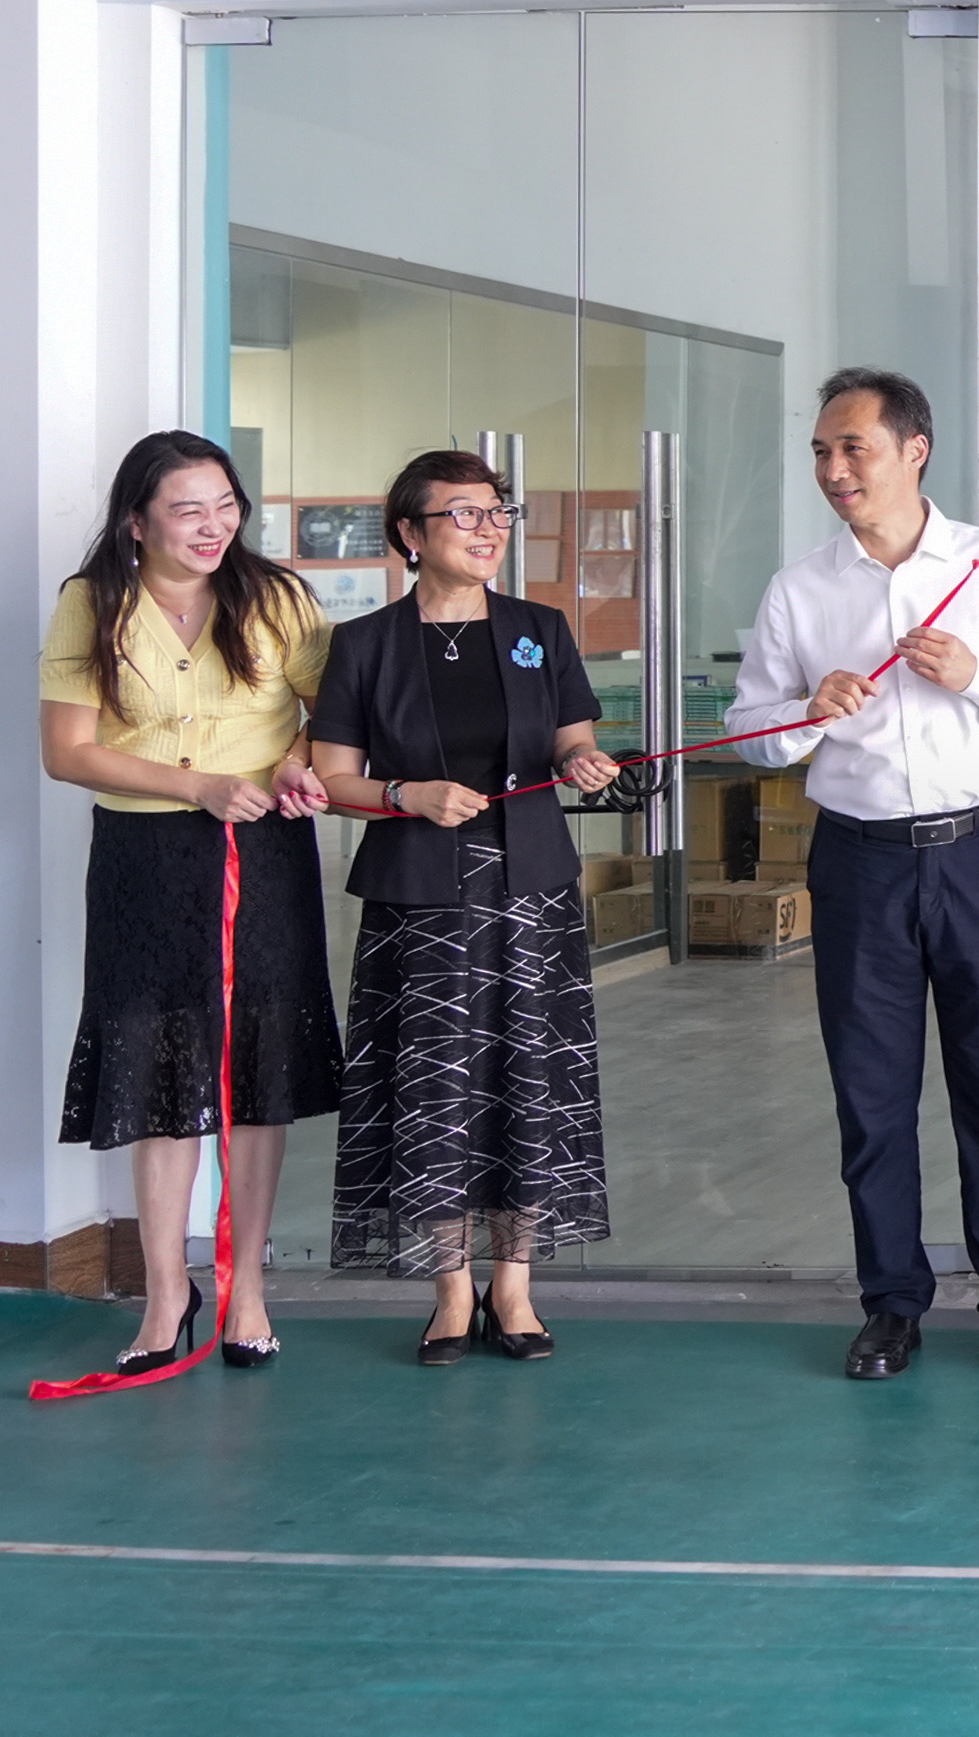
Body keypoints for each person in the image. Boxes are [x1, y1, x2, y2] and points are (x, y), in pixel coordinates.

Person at [726, 370, 979, 1382]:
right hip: (858, 861)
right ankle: (891, 1302)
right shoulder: (801, 587)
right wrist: (805, 711)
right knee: (871, 1095)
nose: (834, 469)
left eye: (854, 448)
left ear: (913, 449)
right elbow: (748, 733)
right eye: (821, 451)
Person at [307, 450, 622, 1365]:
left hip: (530, 892)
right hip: (418, 897)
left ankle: (514, 1287)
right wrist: (407, 794)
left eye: (498, 512)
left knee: (529, 1079)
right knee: (435, 1088)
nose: (488, 530)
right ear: (410, 534)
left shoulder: (539, 628)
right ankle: (450, 1290)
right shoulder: (363, 644)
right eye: (464, 514)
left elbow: (572, 737)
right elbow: (333, 780)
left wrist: (583, 763)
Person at [37, 431, 337, 1373]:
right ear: (137, 521)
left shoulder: (278, 597)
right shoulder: (91, 605)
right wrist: (194, 783)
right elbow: (68, 752)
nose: (214, 527)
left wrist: (296, 763)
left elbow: (340, 714)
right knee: (160, 1069)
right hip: (145, 855)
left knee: (254, 1070)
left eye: (226, 506)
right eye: (186, 510)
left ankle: (245, 1284)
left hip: (265, 848)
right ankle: (168, 1291)